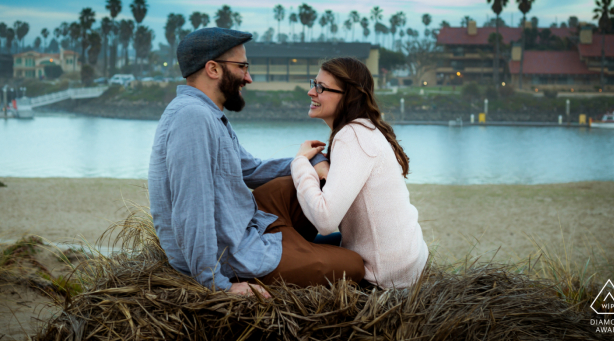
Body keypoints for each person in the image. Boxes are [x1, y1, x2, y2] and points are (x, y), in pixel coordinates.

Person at [148, 28, 365, 297]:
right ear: (213, 69)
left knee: (309, 181)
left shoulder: (207, 114)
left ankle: (310, 247)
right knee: (356, 265)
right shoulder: (193, 118)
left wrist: (311, 162)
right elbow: (192, 210)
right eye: (242, 67)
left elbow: (251, 169)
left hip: (245, 224)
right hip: (233, 253)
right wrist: (215, 284)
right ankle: (313, 251)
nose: (248, 77)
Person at [291, 57, 428, 289]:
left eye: (321, 87)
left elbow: (325, 220)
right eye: (314, 82)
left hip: (384, 277)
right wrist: (324, 167)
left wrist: (300, 163)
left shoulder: (352, 136)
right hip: (406, 262)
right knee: (304, 244)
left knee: (293, 252)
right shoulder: (365, 129)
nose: (310, 92)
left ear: (348, 96)